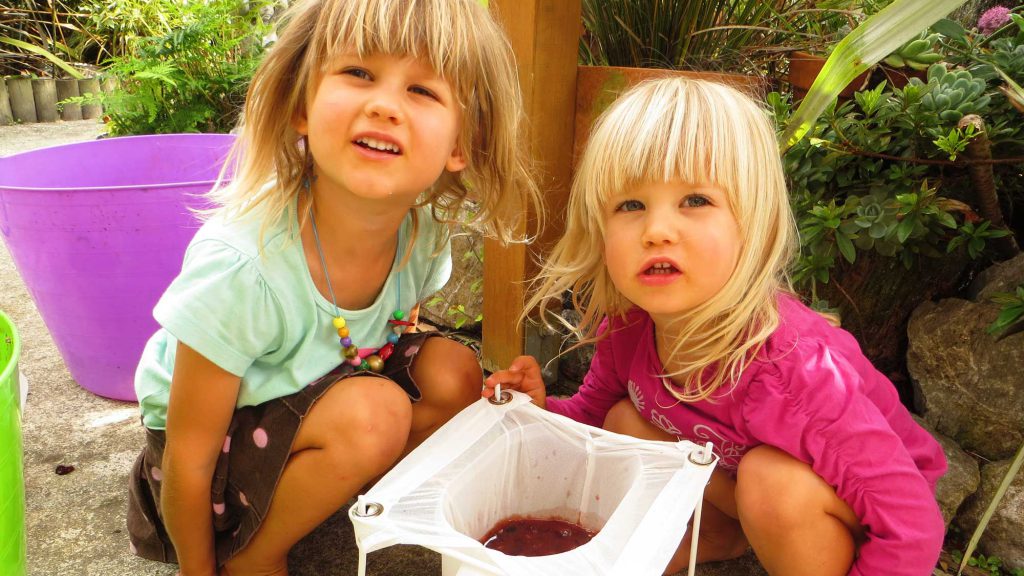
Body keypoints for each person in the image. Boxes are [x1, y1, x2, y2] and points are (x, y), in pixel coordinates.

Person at [127, 0, 539, 574]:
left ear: (458, 148)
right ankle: (254, 554)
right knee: (376, 414)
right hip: (208, 455)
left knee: (455, 374)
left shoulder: (421, 234)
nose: (383, 104)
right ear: (302, 106)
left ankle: (330, 483)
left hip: (319, 392)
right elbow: (188, 458)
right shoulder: (244, 268)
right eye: (358, 73)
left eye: (422, 91)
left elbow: (391, 332)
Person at [483, 78, 946, 576]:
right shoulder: (630, 329)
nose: (657, 230)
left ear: (754, 225)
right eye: (631, 205)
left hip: (849, 508)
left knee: (772, 482)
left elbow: (911, 523)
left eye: (695, 201)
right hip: (736, 485)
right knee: (624, 421)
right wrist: (541, 411)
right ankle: (723, 536)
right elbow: (593, 420)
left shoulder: (795, 373)